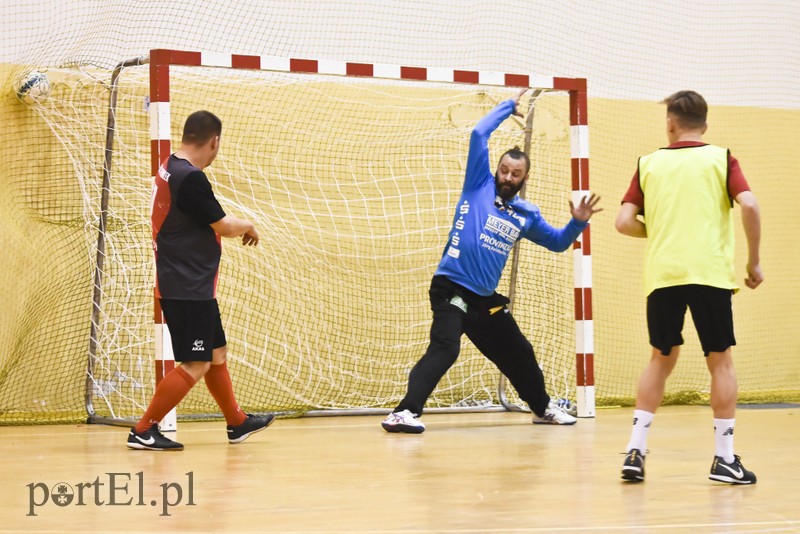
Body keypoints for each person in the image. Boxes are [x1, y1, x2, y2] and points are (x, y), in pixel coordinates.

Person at [381, 89, 602, 434]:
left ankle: (542, 409)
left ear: (524, 178)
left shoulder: (526, 214)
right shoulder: (478, 184)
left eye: (515, 174)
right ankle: (403, 413)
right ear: (496, 170)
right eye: (503, 170)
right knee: (446, 346)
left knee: (519, 352)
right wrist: (506, 109)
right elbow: (478, 134)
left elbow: (559, 243)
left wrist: (577, 222)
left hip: (484, 300)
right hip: (450, 287)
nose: (507, 178)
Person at [616, 90, 763, 483]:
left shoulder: (648, 163)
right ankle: (724, 459)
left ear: (670, 123)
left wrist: (662, 230)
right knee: (721, 361)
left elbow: (623, 221)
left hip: (663, 277)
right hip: (709, 275)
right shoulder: (721, 158)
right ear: (706, 125)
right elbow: (749, 205)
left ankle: (635, 451)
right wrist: (754, 262)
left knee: (660, 359)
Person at [127, 110, 274, 451]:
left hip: (192, 284)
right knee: (196, 363)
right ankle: (143, 429)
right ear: (214, 141)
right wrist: (249, 223)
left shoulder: (170, 165)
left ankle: (237, 422)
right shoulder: (190, 178)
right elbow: (222, 225)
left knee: (216, 353)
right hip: (186, 286)